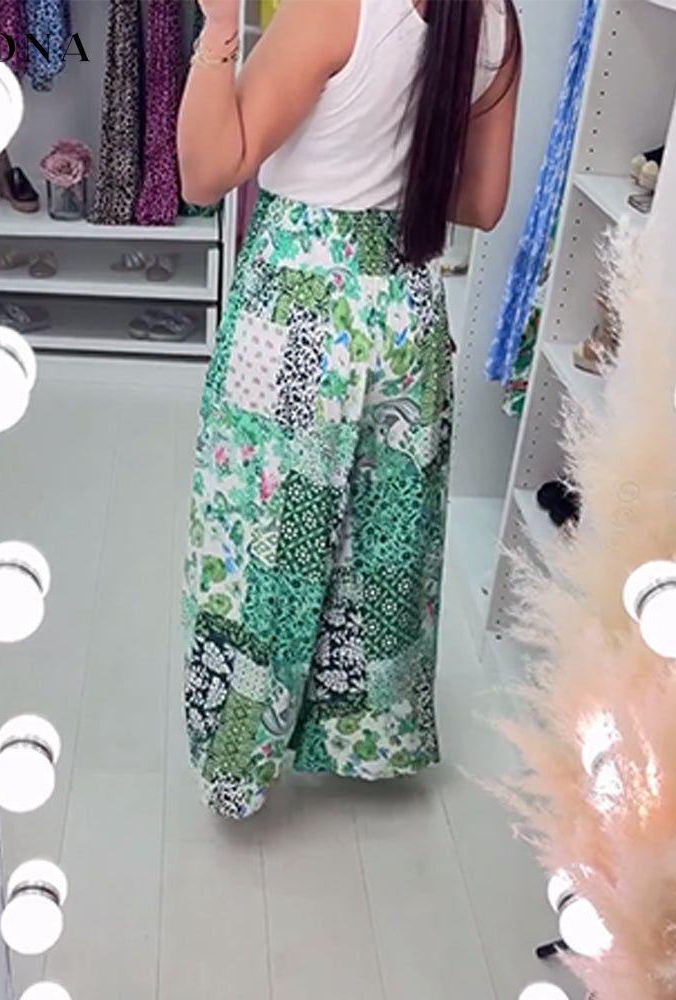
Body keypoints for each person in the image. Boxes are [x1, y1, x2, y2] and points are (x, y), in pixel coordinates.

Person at [178, 0, 521, 819]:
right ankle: (366, 736)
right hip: (405, 308)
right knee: (382, 538)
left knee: (266, 538)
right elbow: (481, 202)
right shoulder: (495, 19)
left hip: (304, 307)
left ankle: (240, 756)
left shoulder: (335, 8)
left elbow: (206, 173)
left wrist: (218, 29)